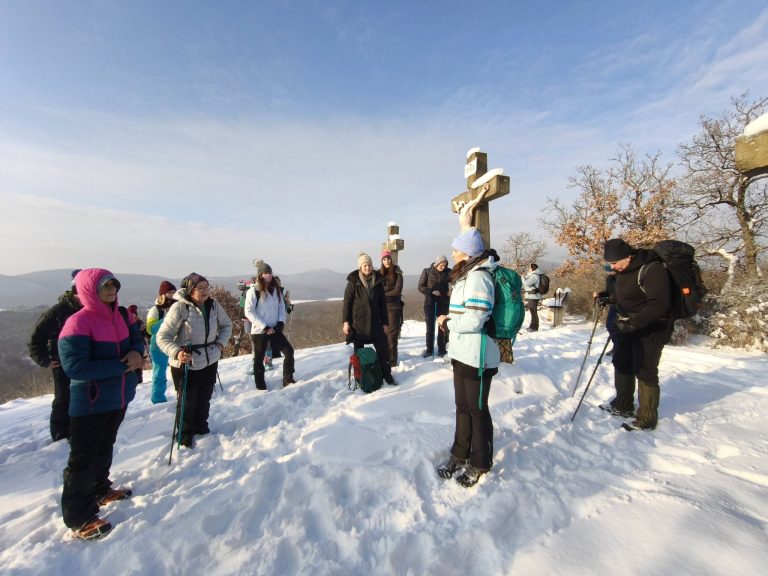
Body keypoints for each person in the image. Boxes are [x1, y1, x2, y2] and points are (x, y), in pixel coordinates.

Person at [57, 268, 145, 540]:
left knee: (105, 445)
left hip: (118, 396)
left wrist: (136, 353)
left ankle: (100, 488)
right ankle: (79, 517)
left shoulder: (122, 316)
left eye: (113, 285)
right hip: (90, 402)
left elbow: (136, 342)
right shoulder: (78, 323)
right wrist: (122, 365)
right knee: (82, 458)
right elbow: (75, 366)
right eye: (104, 285)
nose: (111, 290)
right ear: (87, 290)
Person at [436, 228, 499, 488]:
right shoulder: (465, 276)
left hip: (479, 356)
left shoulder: (480, 278)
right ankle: (460, 453)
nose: (452, 252)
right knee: (463, 407)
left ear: (469, 252)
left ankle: (480, 461)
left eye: (456, 248)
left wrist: (449, 323)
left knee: (477, 410)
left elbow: (476, 318)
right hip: (462, 352)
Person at [602, 238, 672, 431]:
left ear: (628, 256)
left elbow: (659, 303)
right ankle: (622, 404)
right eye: (610, 263)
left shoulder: (652, 269)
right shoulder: (622, 271)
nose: (613, 266)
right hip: (627, 325)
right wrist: (606, 298)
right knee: (622, 362)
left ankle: (647, 418)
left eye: (615, 262)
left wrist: (634, 322)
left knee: (645, 370)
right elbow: (623, 296)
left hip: (652, 327)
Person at [157, 273, 232, 448]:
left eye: (207, 287)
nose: (205, 291)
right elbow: (163, 337)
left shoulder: (213, 305)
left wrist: (220, 344)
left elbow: (227, 325)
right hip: (186, 362)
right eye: (200, 288)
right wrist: (177, 352)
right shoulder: (180, 308)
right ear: (190, 290)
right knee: (187, 401)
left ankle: (201, 427)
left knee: (205, 397)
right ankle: (184, 435)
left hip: (210, 358)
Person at [27, 269, 83, 442]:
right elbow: (36, 338)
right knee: (64, 397)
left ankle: (79, 428)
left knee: (83, 396)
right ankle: (60, 433)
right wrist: (45, 360)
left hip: (85, 362)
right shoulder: (58, 311)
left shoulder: (92, 310)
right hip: (61, 363)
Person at [342, 252, 395, 385]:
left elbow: (382, 304)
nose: (367, 268)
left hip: (376, 323)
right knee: (359, 354)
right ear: (360, 267)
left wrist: (385, 323)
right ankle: (360, 378)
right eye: (365, 265)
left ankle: (386, 375)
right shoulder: (353, 282)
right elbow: (347, 303)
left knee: (383, 351)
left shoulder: (378, 280)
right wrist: (346, 322)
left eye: (369, 265)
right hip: (359, 325)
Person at [244, 261, 296, 390]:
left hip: (275, 329)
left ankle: (288, 379)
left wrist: (280, 322)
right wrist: (264, 326)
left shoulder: (276, 289)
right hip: (260, 331)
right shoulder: (253, 291)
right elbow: (249, 311)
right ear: (260, 275)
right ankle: (260, 386)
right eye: (265, 273)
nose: (268, 275)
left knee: (289, 351)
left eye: (270, 273)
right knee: (259, 359)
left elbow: (281, 306)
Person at [145, 281, 177, 403]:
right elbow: (150, 328)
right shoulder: (156, 309)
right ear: (163, 294)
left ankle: (182, 393)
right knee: (159, 374)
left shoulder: (179, 306)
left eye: (174, 292)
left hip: (176, 343)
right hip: (158, 345)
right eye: (170, 292)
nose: (173, 295)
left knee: (179, 371)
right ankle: (158, 399)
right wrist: (167, 319)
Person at [418, 255, 451, 357]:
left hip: (443, 303)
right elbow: (420, 287)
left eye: (445, 265)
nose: (443, 267)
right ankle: (429, 350)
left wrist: (451, 291)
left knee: (443, 327)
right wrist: (432, 291)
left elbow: (455, 283)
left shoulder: (449, 272)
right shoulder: (427, 271)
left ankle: (442, 350)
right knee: (430, 328)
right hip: (430, 303)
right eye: (441, 265)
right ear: (437, 264)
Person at [379, 250, 404, 367]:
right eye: (384, 259)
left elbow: (397, 291)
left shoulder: (398, 273)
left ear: (391, 259)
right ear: (382, 261)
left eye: (388, 259)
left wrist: (383, 294)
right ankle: (385, 359)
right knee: (383, 335)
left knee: (391, 336)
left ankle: (392, 362)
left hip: (394, 308)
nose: (386, 261)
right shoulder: (379, 274)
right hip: (381, 309)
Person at [522, 263, 544, 332]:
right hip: (532, 296)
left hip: (533, 296)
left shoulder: (534, 276)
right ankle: (533, 326)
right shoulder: (534, 275)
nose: (528, 269)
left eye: (529, 268)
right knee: (533, 312)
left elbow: (526, 283)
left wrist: (522, 277)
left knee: (533, 312)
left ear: (532, 268)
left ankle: (534, 327)